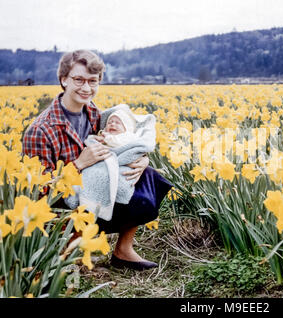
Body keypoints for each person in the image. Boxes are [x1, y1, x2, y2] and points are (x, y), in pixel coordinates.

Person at [22, 50, 172, 271]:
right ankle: (68, 253)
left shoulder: (93, 113)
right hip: (62, 209)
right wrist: (78, 165)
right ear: (63, 79)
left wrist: (142, 159)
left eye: (93, 81)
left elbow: (119, 142)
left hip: (92, 194)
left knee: (150, 180)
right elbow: (36, 192)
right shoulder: (40, 130)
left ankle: (123, 251)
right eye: (79, 80)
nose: (86, 87)